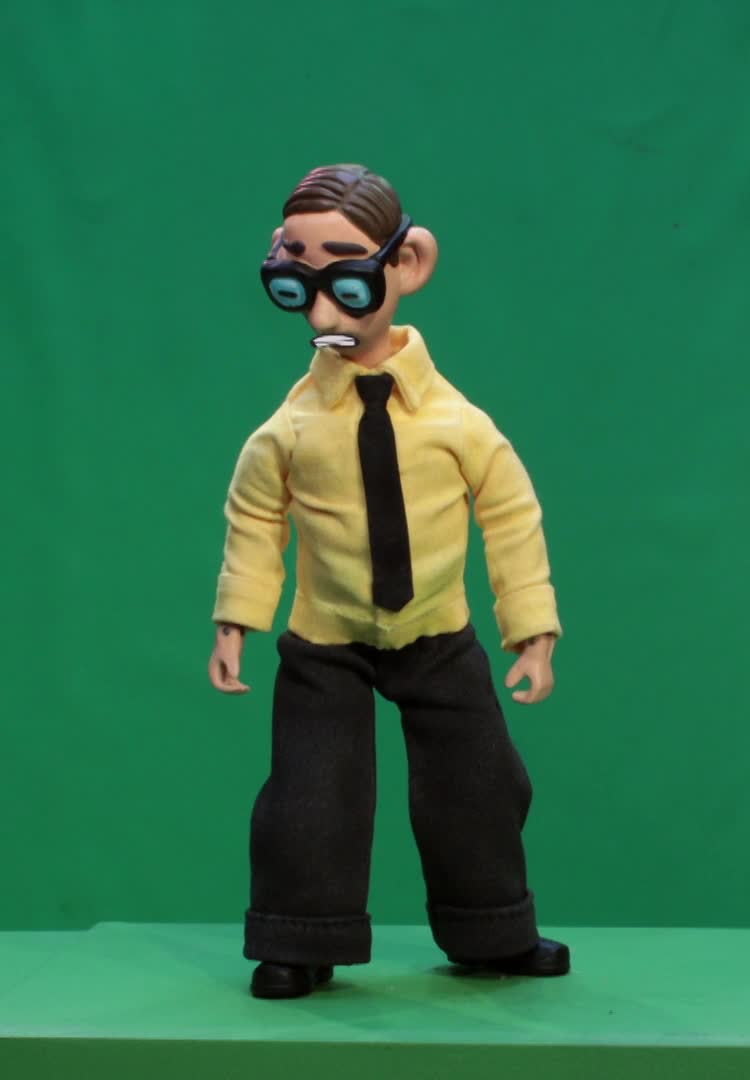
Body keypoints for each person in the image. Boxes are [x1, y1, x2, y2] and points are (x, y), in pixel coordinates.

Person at [208, 163, 569, 999]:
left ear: (406, 265)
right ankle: (300, 938)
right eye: (296, 288)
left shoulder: (458, 423)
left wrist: (532, 627)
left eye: (348, 285)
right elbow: (255, 519)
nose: (324, 315)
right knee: (310, 795)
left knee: (479, 784)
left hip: (437, 632)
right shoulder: (288, 430)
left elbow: (510, 515)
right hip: (325, 640)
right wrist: (236, 621)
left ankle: (492, 929)